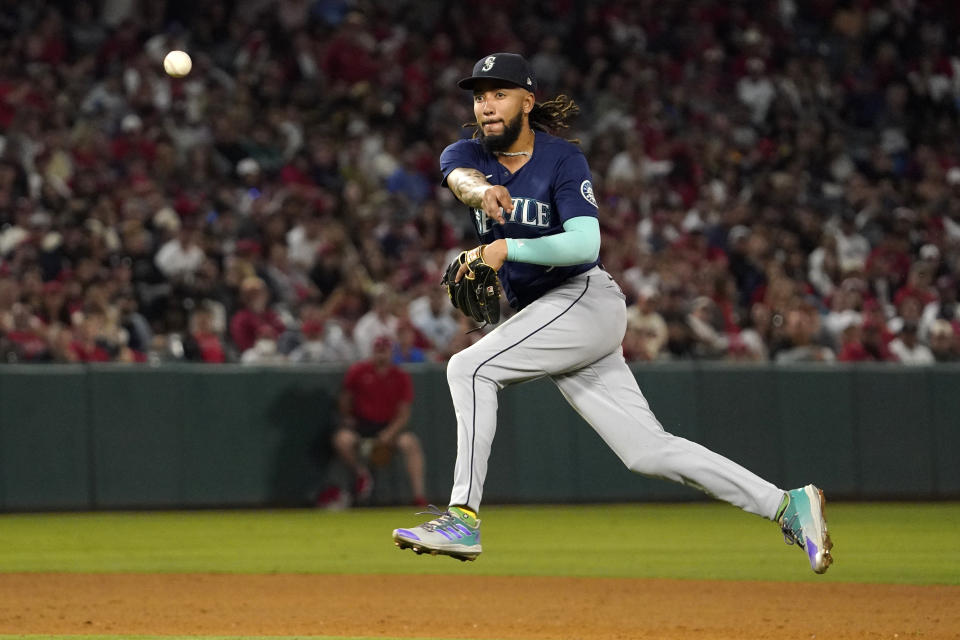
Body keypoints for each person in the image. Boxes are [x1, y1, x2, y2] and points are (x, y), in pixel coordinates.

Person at [391, 53, 833, 574]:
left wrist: (507, 249)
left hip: (583, 297)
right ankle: (787, 504)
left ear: (527, 102)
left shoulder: (561, 159)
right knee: (647, 451)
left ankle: (463, 516)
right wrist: (483, 191)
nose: (487, 104)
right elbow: (460, 179)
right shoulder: (465, 153)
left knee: (467, 367)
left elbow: (585, 242)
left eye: (500, 93)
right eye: (480, 95)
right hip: (551, 317)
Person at [328, 335, 427, 507]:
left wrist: (389, 433)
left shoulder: (400, 376)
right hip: (362, 425)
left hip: (388, 426)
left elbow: (404, 413)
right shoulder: (358, 371)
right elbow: (345, 399)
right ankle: (362, 474)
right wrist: (347, 418)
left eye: (385, 351)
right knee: (342, 439)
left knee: (410, 443)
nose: (381, 355)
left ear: (391, 353)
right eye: (378, 351)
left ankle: (419, 496)